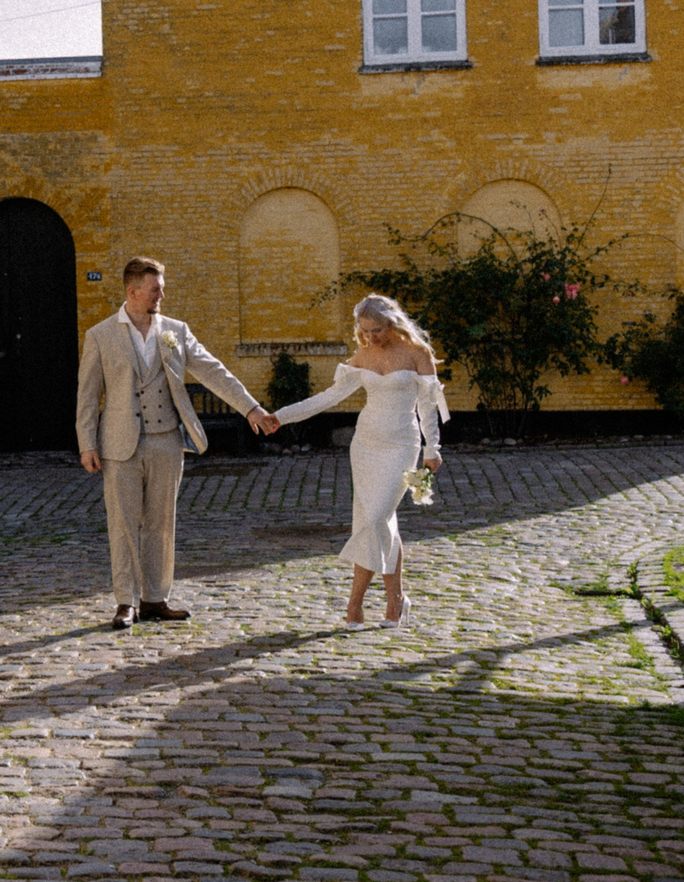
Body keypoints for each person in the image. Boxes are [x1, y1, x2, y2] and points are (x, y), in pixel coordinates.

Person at [75, 256, 278, 631]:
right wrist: (86, 443)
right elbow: (87, 396)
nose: (162, 294)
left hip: (167, 440)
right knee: (122, 523)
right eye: (155, 288)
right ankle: (125, 602)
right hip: (119, 444)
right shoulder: (100, 335)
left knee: (161, 523)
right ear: (132, 291)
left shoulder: (176, 331)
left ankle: (155, 598)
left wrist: (250, 409)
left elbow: (213, 370)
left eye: (161, 287)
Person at [269, 293, 448, 627]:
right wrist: (281, 416)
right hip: (365, 445)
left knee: (376, 518)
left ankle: (356, 604)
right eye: (365, 330)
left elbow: (428, 406)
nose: (371, 337)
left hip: (401, 445)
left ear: (393, 324)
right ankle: (393, 604)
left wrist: (431, 448)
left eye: (377, 329)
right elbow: (329, 396)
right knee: (379, 522)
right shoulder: (362, 356)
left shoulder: (417, 354)